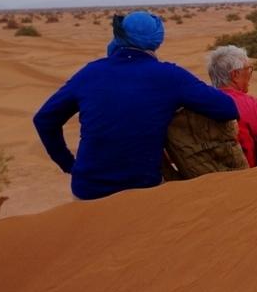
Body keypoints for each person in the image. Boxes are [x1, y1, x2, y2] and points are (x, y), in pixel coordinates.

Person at [33, 11, 239, 200]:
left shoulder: (90, 73)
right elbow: (227, 108)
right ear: (157, 41)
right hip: (144, 188)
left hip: (88, 189)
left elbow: (44, 119)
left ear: (119, 37)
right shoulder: (169, 76)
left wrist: (69, 164)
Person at [206, 45, 257, 167]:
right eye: (248, 70)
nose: (250, 75)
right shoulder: (256, 108)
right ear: (235, 75)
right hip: (248, 180)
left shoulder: (199, 104)